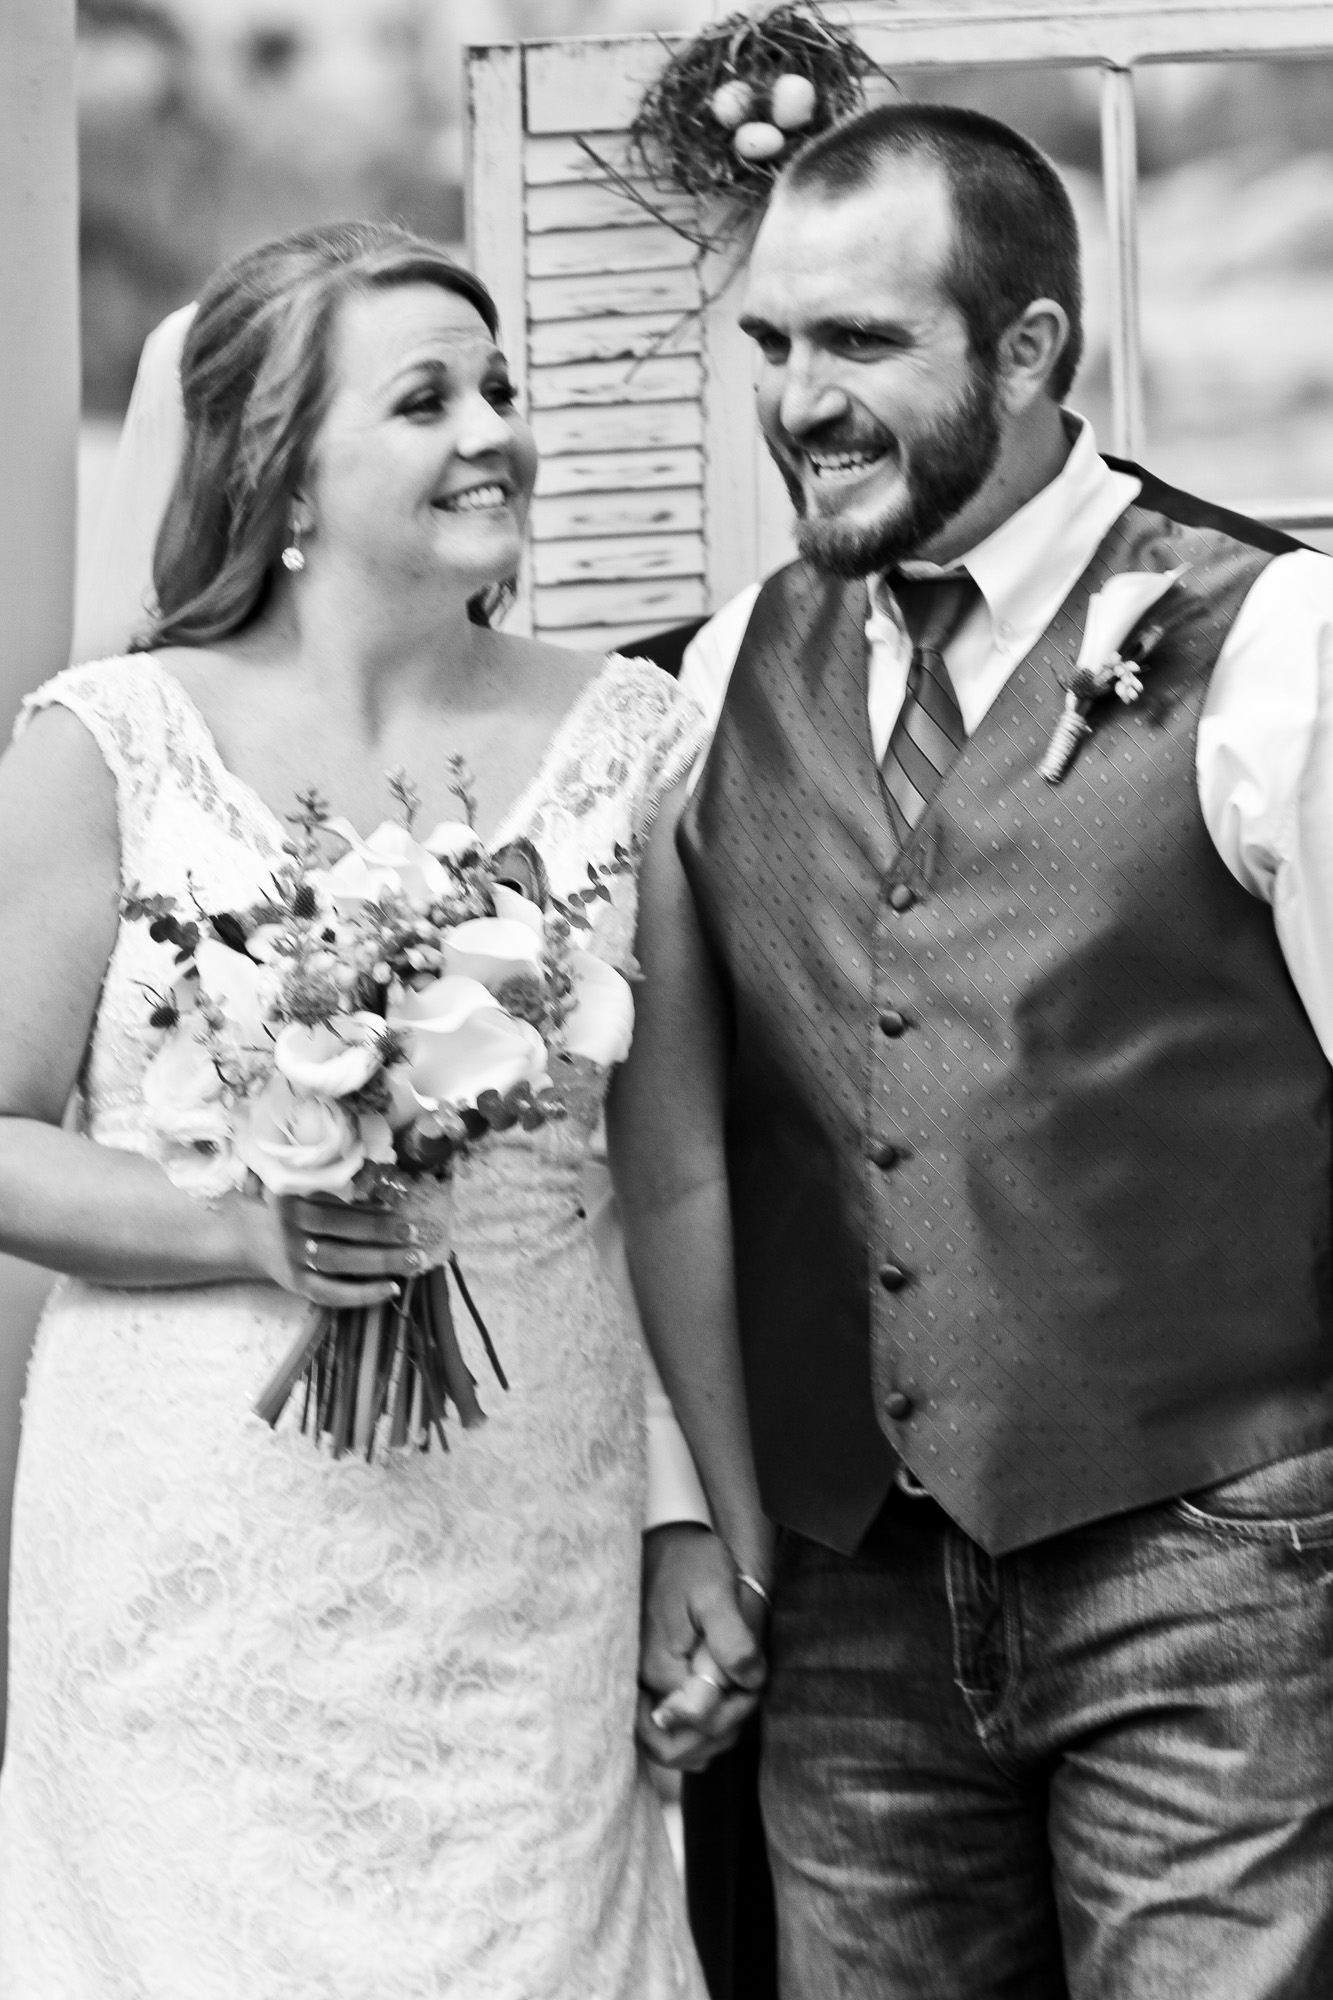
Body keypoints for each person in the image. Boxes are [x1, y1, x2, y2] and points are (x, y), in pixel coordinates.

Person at [616, 102, 1333, 1999]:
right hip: (847, 1600)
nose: (797, 401)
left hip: (1211, 1565)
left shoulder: (1278, 640)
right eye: (772, 341)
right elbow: (676, 1151)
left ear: (1026, 352)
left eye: (861, 342)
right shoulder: (716, 678)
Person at [0, 219, 714, 1998]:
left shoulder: (632, 738)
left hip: (526, 1520)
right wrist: (248, 1226)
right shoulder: (109, 740)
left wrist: (699, 1517)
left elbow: (678, 1176)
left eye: (500, 389)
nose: (493, 432)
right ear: (282, 468)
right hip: (186, 1531)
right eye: (425, 400)